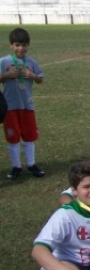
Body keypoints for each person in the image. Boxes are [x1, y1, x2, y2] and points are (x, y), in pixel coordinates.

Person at [1, 28, 45, 180]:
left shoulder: (31, 62)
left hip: (27, 105)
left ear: (28, 45)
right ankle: (16, 166)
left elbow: (40, 79)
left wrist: (32, 75)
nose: (21, 48)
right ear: (11, 45)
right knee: (13, 137)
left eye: (24, 45)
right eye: (17, 45)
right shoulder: (4, 61)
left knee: (29, 135)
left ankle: (31, 164)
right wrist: (6, 75)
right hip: (9, 107)